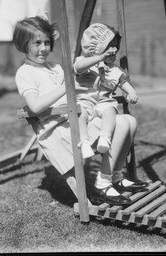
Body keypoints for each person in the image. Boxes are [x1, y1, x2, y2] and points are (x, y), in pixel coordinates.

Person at [13, 13, 148, 207]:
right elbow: (35, 106)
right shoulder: (26, 73)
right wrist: (68, 86)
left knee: (129, 121)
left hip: (77, 115)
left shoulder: (56, 67)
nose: (43, 48)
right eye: (36, 44)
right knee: (119, 123)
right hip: (57, 126)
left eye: (47, 42)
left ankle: (113, 177)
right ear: (23, 44)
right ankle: (104, 182)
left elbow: (77, 85)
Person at [74, 23, 138, 159]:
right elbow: (78, 67)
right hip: (85, 101)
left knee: (110, 111)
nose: (115, 49)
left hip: (103, 102)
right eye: (110, 46)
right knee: (81, 114)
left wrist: (132, 93)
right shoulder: (85, 62)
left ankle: (105, 138)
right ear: (96, 48)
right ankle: (84, 142)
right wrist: (99, 58)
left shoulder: (115, 70)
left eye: (116, 46)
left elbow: (124, 82)